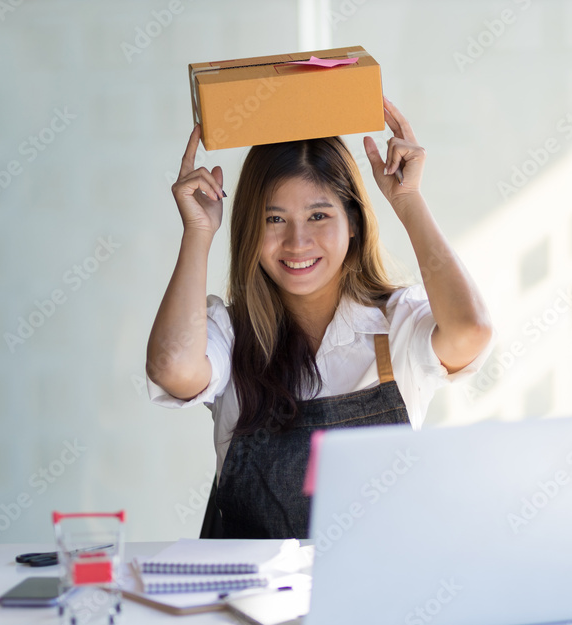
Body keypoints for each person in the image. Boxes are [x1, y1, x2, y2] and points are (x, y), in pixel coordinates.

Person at [146, 96, 493, 539]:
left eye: (318, 215)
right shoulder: (229, 335)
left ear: (353, 223)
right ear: (251, 228)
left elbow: (472, 330)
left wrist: (407, 200)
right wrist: (197, 232)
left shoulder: (396, 325)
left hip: (379, 596)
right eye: (275, 219)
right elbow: (172, 366)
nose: (297, 241)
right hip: (249, 602)